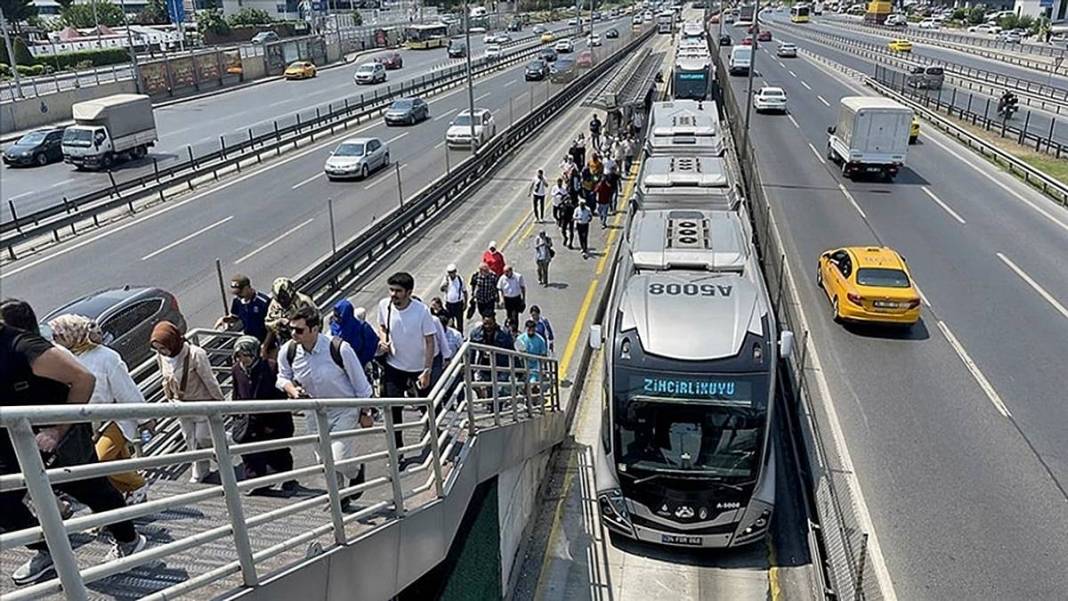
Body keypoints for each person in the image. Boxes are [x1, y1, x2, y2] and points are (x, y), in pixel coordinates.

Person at [1, 300, 146, 585]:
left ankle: (129, 540)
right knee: (4, 502)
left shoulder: (22, 345)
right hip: (15, 441)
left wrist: (57, 430)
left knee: (92, 490)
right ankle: (50, 551)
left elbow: (83, 378)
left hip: (57, 440)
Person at [48, 314, 151, 504]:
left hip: (116, 417)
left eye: (59, 337)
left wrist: (145, 419)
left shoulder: (107, 357)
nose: (56, 342)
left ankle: (137, 485)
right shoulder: (64, 357)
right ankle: (125, 493)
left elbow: (126, 389)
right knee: (116, 461)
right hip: (90, 423)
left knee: (100, 461)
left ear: (73, 335)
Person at [277, 307, 371, 512]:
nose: (294, 335)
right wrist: (291, 389)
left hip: (343, 409)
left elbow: (361, 385)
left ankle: (356, 472)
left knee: (339, 457)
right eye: (291, 330)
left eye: (299, 331)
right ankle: (338, 497)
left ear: (315, 329)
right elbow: (282, 377)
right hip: (313, 411)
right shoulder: (289, 351)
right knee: (323, 460)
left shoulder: (339, 349)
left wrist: (365, 412)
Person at [152, 321, 225, 483]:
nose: (161, 352)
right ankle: (200, 471)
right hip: (180, 406)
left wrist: (221, 402)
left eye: (163, 348)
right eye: (157, 349)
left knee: (203, 437)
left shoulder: (195, 354)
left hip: (201, 404)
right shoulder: (161, 357)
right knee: (190, 440)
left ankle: (224, 450)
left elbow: (209, 380)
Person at [376, 272, 438, 451]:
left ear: (409, 292)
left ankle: (433, 434)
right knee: (393, 410)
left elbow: (430, 341)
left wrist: (427, 370)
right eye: (392, 290)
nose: (393, 294)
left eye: (398, 291)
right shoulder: (384, 306)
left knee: (428, 406)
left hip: (418, 368)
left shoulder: (421, 311)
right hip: (394, 366)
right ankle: (397, 449)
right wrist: (383, 340)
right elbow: (382, 326)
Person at [230, 336, 297, 497]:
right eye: (239, 356)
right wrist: (236, 415)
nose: (243, 360)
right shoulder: (236, 370)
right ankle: (255, 482)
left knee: (278, 451)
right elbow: (236, 393)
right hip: (248, 419)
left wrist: (273, 421)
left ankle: (287, 478)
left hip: (273, 418)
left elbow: (280, 396)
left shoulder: (271, 367)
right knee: (249, 452)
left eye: (246, 355)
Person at [468, 314, 515, 401]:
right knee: (489, 390)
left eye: (490, 323)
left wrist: (518, 371)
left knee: (499, 390)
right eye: (485, 323)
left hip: (501, 366)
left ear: (494, 321)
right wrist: (470, 371)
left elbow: (512, 351)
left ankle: (498, 408)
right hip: (485, 366)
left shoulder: (504, 333)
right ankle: (492, 409)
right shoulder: (476, 333)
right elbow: (472, 354)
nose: (488, 326)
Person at [264, 277, 315, 356]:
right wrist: (278, 322)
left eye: (284, 298)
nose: (282, 302)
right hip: (284, 342)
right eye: (279, 300)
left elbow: (316, 322)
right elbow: (268, 323)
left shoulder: (303, 301)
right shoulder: (274, 304)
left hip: (304, 341)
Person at [215, 274, 271, 342]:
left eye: (240, 293)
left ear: (247, 287)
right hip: (250, 340)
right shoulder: (237, 301)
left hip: (267, 340)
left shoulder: (263, 302)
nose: (238, 295)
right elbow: (235, 317)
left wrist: (265, 346)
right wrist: (225, 319)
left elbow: (272, 327)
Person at [330, 299, 380, 368]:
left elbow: (372, 346)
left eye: (338, 315)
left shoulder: (363, 328)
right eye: (335, 315)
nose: (336, 318)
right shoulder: (334, 327)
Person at [514, 319, 549, 389]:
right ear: (525, 328)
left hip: (535, 368)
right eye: (529, 328)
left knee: (532, 383)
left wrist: (543, 368)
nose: (531, 330)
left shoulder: (540, 340)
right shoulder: (520, 339)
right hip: (523, 366)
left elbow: (543, 355)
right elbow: (516, 352)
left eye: (532, 329)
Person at [439, 264, 469, 331]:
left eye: (452, 272)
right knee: (450, 321)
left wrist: (465, 303)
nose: (451, 274)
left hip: (458, 303)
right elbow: (441, 289)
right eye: (449, 272)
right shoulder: (446, 279)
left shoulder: (460, 279)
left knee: (459, 321)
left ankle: (460, 335)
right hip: (449, 304)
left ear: (455, 271)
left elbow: (464, 291)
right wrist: (444, 285)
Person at [497, 265, 527, 330]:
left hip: (516, 298)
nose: (505, 274)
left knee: (515, 315)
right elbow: (499, 289)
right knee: (509, 315)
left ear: (511, 271)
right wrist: (501, 299)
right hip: (507, 299)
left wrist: (523, 299)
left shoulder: (518, 277)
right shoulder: (502, 278)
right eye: (504, 272)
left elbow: (523, 288)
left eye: (507, 272)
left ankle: (515, 329)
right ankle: (509, 329)